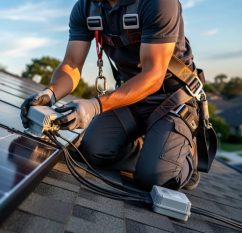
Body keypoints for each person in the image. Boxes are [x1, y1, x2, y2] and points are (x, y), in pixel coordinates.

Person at [21, 0, 202, 191]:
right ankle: (153, 150)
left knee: (157, 177)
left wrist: (95, 106)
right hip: (130, 96)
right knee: (93, 151)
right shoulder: (85, 8)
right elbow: (72, 63)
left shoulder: (158, 3)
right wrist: (50, 93)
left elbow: (153, 75)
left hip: (171, 100)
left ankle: (183, 155)